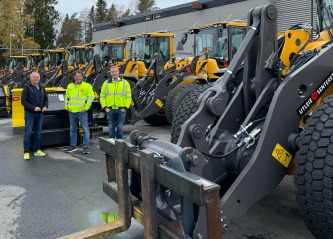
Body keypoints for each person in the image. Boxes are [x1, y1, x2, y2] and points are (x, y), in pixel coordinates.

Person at [65, 70, 94, 154]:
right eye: (76, 76)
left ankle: (86, 147)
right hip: (72, 111)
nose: (78, 78)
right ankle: (72, 146)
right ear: (74, 77)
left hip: (82, 112)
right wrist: (66, 106)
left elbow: (91, 97)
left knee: (85, 130)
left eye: (79, 76)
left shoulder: (87, 86)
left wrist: (86, 108)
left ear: (82, 77)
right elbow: (67, 97)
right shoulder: (70, 86)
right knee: (72, 130)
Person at [21, 72, 48, 160]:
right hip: (30, 114)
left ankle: (37, 150)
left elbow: (46, 99)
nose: (36, 79)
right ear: (31, 78)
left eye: (37, 77)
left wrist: (45, 106)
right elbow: (23, 102)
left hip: (39, 114)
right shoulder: (26, 88)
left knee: (37, 132)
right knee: (28, 133)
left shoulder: (42, 87)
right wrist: (33, 108)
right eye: (34, 77)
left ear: (39, 78)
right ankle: (26, 152)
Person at [100, 65, 132, 139]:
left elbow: (128, 96)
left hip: (121, 109)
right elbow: (102, 97)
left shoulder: (125, 83)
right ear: (110, 73)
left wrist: (125, 107)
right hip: (110, 109)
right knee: (111, 128)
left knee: (120, 127)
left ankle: (119, 143)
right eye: (112, 72)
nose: (114, 73)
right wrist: (105, 107)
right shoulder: (106, 83)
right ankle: (111, 144)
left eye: (115, 72)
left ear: (118, 72)